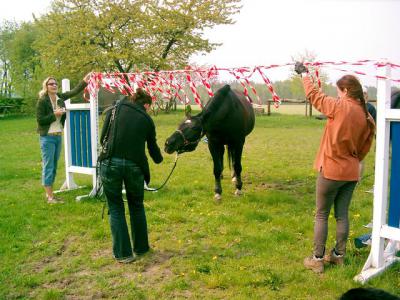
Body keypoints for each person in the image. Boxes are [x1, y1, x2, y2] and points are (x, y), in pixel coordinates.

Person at [294, 62, 375, 273]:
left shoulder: (340, 106)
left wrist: (304, 74)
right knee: (342, 214)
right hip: (351, 171)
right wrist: (354, 161)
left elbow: (314, 96)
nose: (337, 95)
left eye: (339, 91)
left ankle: (317, 259)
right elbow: (365, 147)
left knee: (321, 214)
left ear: (346, 91)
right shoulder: (367, 116)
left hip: (331, 170)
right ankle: (338, 256)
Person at [100, 88, 163, 263]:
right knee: (137, 206)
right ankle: (141, 248)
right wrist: (161, 158)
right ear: (146, 104)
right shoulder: (147, 120)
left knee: (116, 208)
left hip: (110, 163)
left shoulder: (115, 109)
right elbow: (153, 151)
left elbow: (102, 138)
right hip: (135, 166)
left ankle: (123, 254)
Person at [36, 75, 89, 204]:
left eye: (55, 84)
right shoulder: (42, 101)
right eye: (51, 84)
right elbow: (40, 120)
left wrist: (85, 80)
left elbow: (74, 91)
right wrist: (55, 115)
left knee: (53, 166)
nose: (54, 85)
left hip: (58, 137)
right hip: (47, 138)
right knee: (48, 166)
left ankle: (52, 195)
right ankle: (49, 197)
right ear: (46, 87)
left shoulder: (60, 98)